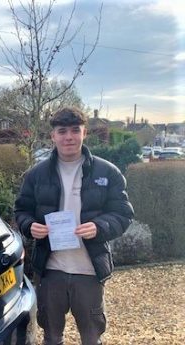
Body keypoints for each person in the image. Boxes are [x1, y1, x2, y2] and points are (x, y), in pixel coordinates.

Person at [14, 107, 134, 345]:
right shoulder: (36, 175)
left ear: (84, 132)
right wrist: (30, 227)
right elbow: (21, 211)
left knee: (91, 338)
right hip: (50, 270)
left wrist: (99, 227)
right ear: (53, 136)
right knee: (51, 336)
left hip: (89, 270)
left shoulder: (107, 172)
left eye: (75, 130)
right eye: (62, 131)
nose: (69, 136)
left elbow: (123, 214)